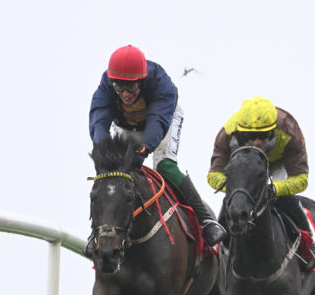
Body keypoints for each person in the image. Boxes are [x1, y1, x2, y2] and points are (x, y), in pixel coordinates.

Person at [88, 44, 226, 247]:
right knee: (111, 170)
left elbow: (158, 121)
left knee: (165, 166)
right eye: (119, 88)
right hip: (126, 124)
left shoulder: (162, 85)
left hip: (162, 119)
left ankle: (205, 219)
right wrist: (103, 147)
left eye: (131, 88)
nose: (125, 94)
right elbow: (99, 118)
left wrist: (145, 147)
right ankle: (97, 231)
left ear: (142, 81)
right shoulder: (107, 84)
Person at [207, 96, 315, 269]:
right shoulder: (228, 133)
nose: (257, 142)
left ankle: (310, 246)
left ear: (273, 130)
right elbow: (213, 175)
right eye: (251, 136)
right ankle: (219, 250)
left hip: (278, 165)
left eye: (263, 136)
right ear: (242, 133)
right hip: (245, 167)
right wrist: (236, 185)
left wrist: (275, 189)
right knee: (233, 201)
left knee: (286, 199)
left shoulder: (289, 129)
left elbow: (301, 179)